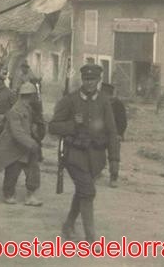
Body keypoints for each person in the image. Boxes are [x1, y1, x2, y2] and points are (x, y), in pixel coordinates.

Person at [50, 64, 120, 242]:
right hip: (75, 154)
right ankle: (91, 238)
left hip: (96, 157)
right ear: (82, 79)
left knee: (83, 191)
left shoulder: (104, 101)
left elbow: (112, 131)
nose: (89, 83)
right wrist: (73, 124)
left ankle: (68, 225)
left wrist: (114, 159)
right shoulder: (70, 100)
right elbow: (53, 126)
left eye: (93, 79)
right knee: (88, 191)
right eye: (86, 79)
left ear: (99, 80)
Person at [0, 83, 44, 206]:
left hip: (26, 147)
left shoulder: (29, 109)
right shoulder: (15, 111)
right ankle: (8, 194)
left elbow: (33, 126)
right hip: (13, 148)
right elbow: (17, 132)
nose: (31, 98)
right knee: (12, 172)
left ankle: (30, 195)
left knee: (33, 171)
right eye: (29, 96)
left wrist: (35, 134)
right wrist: (31, 143)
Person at [101, 82, 126, 188]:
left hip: (114, 135)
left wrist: (120, 133)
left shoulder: (118, 104)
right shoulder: (99, 103)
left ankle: (113, 178)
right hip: (101, 134)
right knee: (96, 153)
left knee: (114, 157)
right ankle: (97, 172)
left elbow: (123, 121)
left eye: (105, 94)